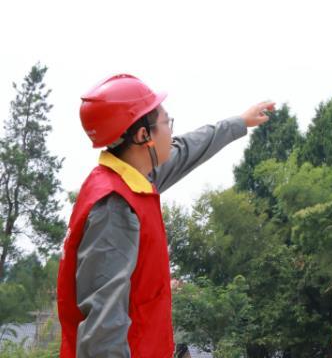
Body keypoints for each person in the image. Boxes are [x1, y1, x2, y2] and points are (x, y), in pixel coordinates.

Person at [57, 73, 274, 358]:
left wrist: (239, 122)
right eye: (166, 123)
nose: (171, 133)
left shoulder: (130, 180)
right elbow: (103, 326)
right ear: (143, 135)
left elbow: (186, 149)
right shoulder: (113, 206)